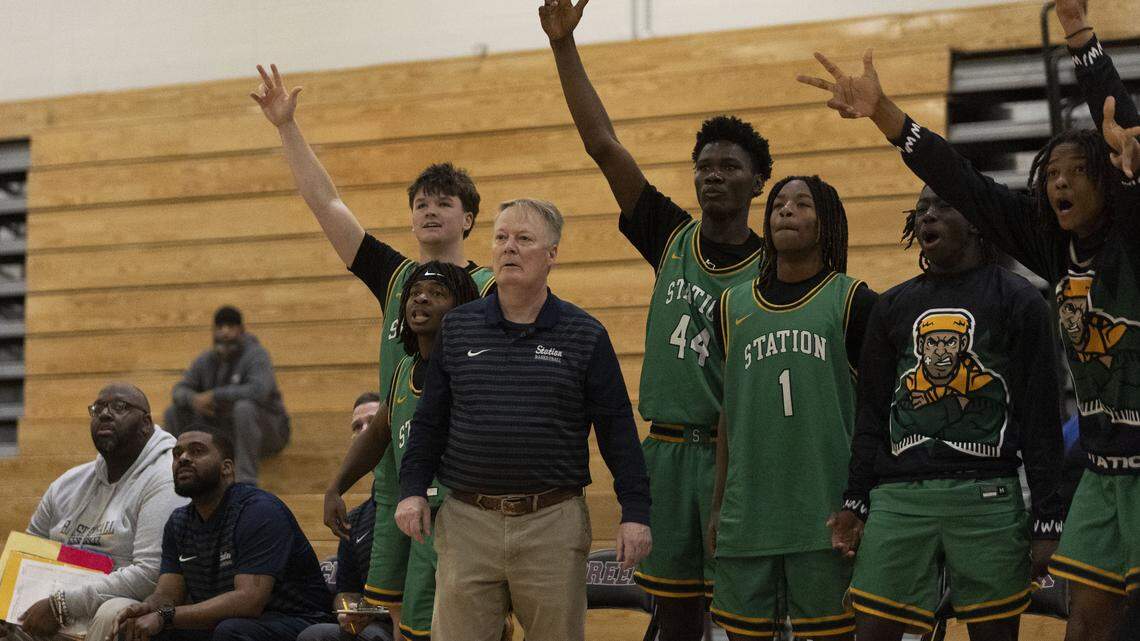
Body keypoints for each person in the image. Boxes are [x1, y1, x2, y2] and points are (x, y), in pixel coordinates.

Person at [797, 1, 1140, 637]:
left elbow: (1124, 129)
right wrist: (884, 115)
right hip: (1103, 468)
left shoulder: (1132, 236)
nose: (1058, 183)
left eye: (1075, 172)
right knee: (1087, 622)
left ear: (1109, 181)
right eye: (1051, 173)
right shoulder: (1049, 246)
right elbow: (960, 178)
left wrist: (1078, 32)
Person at [540, 2, 772, 636]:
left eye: (730, 167)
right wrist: (564, 47)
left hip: (741, 456)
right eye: (704, 167)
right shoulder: (669, 236)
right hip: (667, 453)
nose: (714, 176)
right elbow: (603, 145)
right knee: (673, 619)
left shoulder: (779, 271)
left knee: (744, 615)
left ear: (758, 182)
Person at [251, 65, 496, 637]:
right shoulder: (395, 277)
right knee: (390, 618)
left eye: (444, 202)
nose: (430, 210)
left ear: (469, 217)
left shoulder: (491, 289)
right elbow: (327, 203)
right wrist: (287, 128)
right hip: (394, 475)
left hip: (459, 480)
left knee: (453, 618)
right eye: (420, 203)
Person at [396, 199, 652, 641]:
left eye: (524, 239)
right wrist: (412, 490)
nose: (509, 247)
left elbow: (617, 432)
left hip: (552, 523)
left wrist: (635, 513)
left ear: (552, 253)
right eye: (501, 238)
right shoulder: (457, 329)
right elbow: (430, 423)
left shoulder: (585, 334)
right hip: (467, 521)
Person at [828, 186, 1066, 641]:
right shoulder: (891, 306)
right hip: (898, 501)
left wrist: (1048, 521)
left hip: (988, 498)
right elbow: (872, 416)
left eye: (943, 205)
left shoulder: (1020, 300)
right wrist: (855, 501)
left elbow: (1041, 420)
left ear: (976, 219)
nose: (927, 217)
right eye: (920, 210)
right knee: (873, 631)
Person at [708, 176, 876, 640]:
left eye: (802, 205)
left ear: (828, 223)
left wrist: (863, 504)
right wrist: (719, 504)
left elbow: (876, 415)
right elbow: (729, 412)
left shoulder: (854, 301)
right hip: (749, 516)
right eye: (779, 204)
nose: (786, 211)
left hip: (825, 517)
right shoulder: (732, 305)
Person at [324, 263, 480, 641]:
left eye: (437, 293)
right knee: (402, 619)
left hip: (454, 513)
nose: (421, 298)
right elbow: (377, 437)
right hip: (412, 512)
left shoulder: (471, 368)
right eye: (414, 293)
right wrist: (335, 487)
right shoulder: (403, 370)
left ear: (460, 308)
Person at [112, 428, 331, 641]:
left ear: (227, 468)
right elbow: (169, 594)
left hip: (298, 622)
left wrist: (166, 616)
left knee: (231, 630)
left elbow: (249, 602)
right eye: (177, 454)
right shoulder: (178, 522)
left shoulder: (258, 511)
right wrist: (147, 608)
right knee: (138, 629)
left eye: (197, 451)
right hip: (226, 622)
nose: (184, 458)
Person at [11, 384, 186, 641]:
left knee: (113, 611)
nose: (104, 414)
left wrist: (62, 606)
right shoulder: (67, 483)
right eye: (98, 408)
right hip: (55, 601)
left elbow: (151, 575)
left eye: (119, 407)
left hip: (113, 603)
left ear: (146, 424)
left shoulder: (164, 479)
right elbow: (26, 553)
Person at [299, 392, 391, 641]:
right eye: (357, 426)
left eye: (373, 423)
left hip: (416, 617)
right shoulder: (357, 517)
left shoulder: (417, 497)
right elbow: (346, 590)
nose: (364, 431)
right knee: (314, 635)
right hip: (375, 622)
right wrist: (348, 610)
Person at [164, 306, 290, 484]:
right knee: (174, 412)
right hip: (227, 432)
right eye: (220, 327)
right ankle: (173, 475)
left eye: (231, 327)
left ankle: (246, 481)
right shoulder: (206, 360)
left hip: (270, 430)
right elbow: (179, 390)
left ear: (241, 330)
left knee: (244, 408)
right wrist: (194, 399)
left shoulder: (256, 355)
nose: (225, 332)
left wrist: (215, 396)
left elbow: (259, 390)